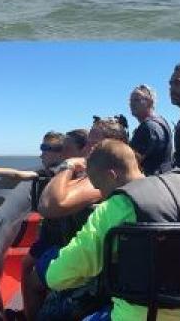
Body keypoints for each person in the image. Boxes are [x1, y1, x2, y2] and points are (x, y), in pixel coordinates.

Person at [40, 139, 180, 321]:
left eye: (99, 186)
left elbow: (57, 277)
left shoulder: (117, 206)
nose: (101, 195)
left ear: (112, 175)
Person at [32, 117, 129, 321]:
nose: (86, 151)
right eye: (87, 144)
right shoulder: (108, 175)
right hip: (96, 261)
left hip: (94, 273)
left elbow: (50, 206)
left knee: (35, 278)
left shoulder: (105, 179)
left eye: (93, 145)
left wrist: (66, 166)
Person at [129, 84, 173, 176]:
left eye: (137, 100)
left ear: (150, 102)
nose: (132, 104)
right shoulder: (162, 121)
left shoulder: (147, 127)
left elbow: (130, 162)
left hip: (151, 181)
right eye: (131, 100)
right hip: (165, 178)